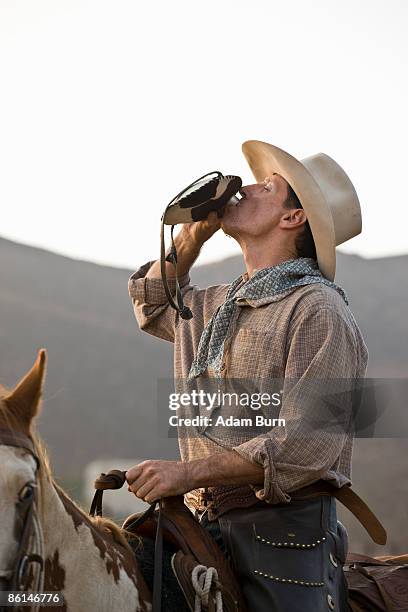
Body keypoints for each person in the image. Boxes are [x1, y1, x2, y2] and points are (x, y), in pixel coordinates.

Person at [125, 140, 368, 611]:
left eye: (266, 186)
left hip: (283, 535)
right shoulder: (216, 305)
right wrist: (192, 236)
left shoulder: (318, 309)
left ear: (293, 218)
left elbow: (305, 444)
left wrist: (186, 472)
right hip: (202, 523)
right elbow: (152, 302)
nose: (242, 188)